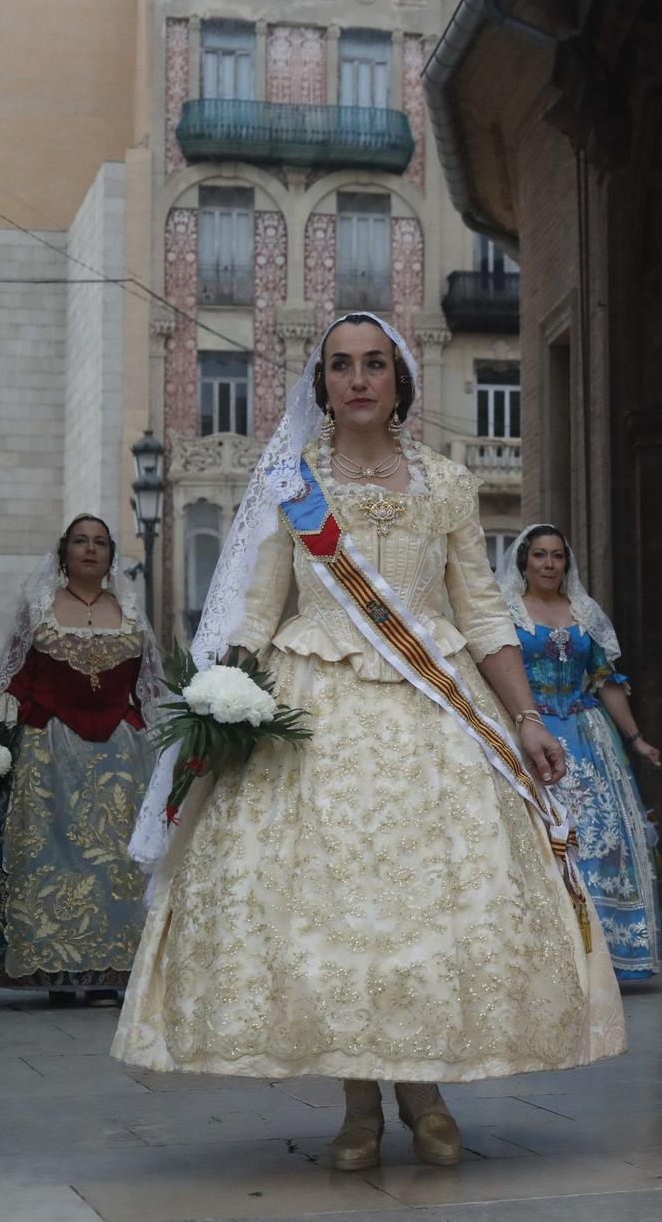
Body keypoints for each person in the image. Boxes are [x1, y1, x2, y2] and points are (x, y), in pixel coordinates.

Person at [111, 313, 624, 1171]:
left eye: (374, 364)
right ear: (323, 384)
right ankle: (357, 1102)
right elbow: (255, 608)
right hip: (315, 714)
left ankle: (425, 1091)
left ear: (400, 381)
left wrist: (528, 715)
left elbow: (483, 612)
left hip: (437, 706)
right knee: (335, 905)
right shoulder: (291, 482)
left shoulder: (448, 484)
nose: (357, 379)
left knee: (433, 904)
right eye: (341, 365)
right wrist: (226, 698)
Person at [0, 515, 157, 1005]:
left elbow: (146, 687)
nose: (90, 549)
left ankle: (111, 968)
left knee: (117, 859)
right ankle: (55, 971)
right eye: (80, 541)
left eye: (100, 542)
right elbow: (14, 676)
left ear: (110, 555)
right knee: (53, 855)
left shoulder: (129, 610)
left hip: (120, 757)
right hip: (50, 750)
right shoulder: (39, 607)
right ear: (64, 552)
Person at [496, 524, 662, 979]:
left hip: (590, 740)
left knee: (603, 839)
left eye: (557, 556)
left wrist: (635, 738)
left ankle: (610, 954)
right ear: (524, 562)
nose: (549, 564)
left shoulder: (585, 612)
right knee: (545, 838)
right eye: (539, 556)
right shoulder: (506, 612)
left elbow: (605, 681)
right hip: (532, 735)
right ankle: (552, 953)